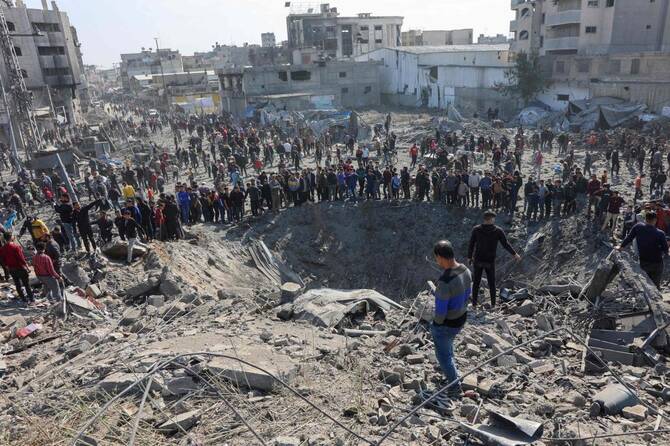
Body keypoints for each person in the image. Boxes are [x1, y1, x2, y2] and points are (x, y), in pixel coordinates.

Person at [430, 240, 472, 397]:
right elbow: (467, 294)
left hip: (448, 323)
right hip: (461, 317)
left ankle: (454, 387)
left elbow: (441, 312)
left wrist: (435, 324)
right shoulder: (465, 270)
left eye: (436, 258)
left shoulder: (445, 281)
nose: (437, 261)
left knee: (443, 356)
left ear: (440, 257)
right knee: (448, 348)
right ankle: (451, 373)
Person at [468, 211, 521, 307]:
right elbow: (505, 244)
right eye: (493, 218)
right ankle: (493, 305)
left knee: (476, 282)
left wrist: (469, 257)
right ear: (491, 219)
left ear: (484, 219)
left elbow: (471, 244)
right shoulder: (497, 230)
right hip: (490, 261)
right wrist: (514, 254)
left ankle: (474, 305)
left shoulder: (476, 229)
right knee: (491, 283)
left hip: (478, 260)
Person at [617, 211, 668, 288]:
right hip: (657, 263)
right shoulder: (660, 233)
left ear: (645, 219)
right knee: (656, 285)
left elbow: (629, 238)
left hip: (644, 262)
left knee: (645, 285)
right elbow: (665, 249)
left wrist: (621, 246)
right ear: (655, 220)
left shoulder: (638, 227)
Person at [0, 232, 34, 303]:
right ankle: (32, 299)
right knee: (26, 284)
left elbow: (3, 260)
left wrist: (7, 267)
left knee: (17, 284)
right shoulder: (16, 247)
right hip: (20, 268)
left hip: (11, 269)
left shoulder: (2, 249)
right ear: (11, 237)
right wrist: (27, 267)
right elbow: (21, 258)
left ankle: (24, 299)